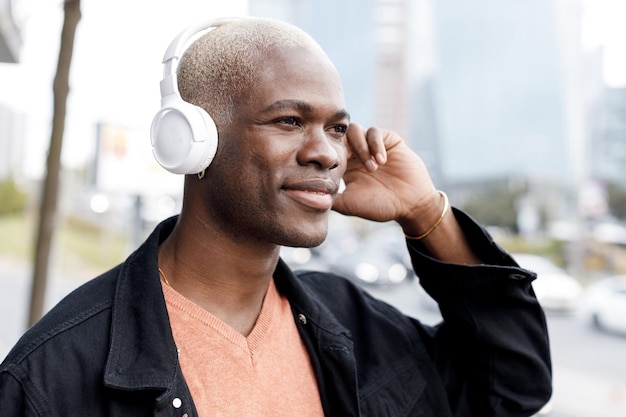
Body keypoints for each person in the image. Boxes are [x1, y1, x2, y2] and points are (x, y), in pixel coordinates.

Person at [0, 17, 551, 416]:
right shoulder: (49, 379)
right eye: (289, 121)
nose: (328, 154)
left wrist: (425, 212)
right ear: (192, 142)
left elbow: (513, 384)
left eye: (337, 128)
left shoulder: (353, 321)